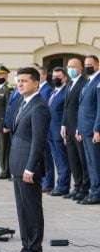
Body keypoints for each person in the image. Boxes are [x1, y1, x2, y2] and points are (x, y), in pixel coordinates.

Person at [4, 67, 50, 252]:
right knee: (22, 210)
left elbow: (38, 141)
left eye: (24, 81)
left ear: (36, 83)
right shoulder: (23, 103)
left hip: (28, 167)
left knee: (31, 209)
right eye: (18, 81)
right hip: (18, 164)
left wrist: (31, 168)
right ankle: (26, 248)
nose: (20, 84)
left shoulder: (39, 106)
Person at [61, 58, 90, 201]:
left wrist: (79, 127)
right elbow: (66, 107)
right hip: (69, 128)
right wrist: (63, 125)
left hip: (79, 129)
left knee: (82, 160)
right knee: (73, 160)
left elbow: (82, 108)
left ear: (80, 68)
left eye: (73, 66)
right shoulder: (70, 83)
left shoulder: (84, 83)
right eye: (68, 66)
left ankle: (85, 188)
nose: (70, 69)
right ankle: (77, 186)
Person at [76, 55, 100, 205]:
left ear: (97, 65)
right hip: (84, 128)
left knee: (96, 163)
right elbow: (82, 107)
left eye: (90, 64)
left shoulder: (98, 81)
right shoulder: (89, 81)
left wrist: (98, 129)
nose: (87, 67)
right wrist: (79, 128)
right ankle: (93, 190)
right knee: (90, 163)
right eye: (85, 64)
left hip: (93, 130)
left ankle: (97, 193)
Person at [47, 67, 71, 196]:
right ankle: (59, 184)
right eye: (54, 77)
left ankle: (63, 186)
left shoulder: (66, 91)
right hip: (50, 131)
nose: (55, 79)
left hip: (60, 132)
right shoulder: (53, 92)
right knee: (57, 160)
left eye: (58, 77)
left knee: (63, 161)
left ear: (65, 78)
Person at [36, 66, 55, 192]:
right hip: (38, 126)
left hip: (46, 127)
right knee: (41, 156)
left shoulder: (47, 90)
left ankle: (48, 182)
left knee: (47, 156)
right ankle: (43, 179)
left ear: (43, 75)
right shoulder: (38, 89)